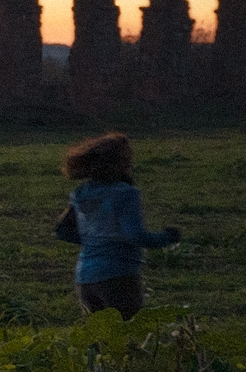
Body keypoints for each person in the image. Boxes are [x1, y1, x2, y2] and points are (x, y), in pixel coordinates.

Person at [57, 131, 179, 318]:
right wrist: (168, 237)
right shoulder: (125, 193)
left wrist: (96, 241)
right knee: (128, 335)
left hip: (85, 278)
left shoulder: (81, 192)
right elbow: (135, 235)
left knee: (101, 339)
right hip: (118, 276)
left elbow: (63, 231)